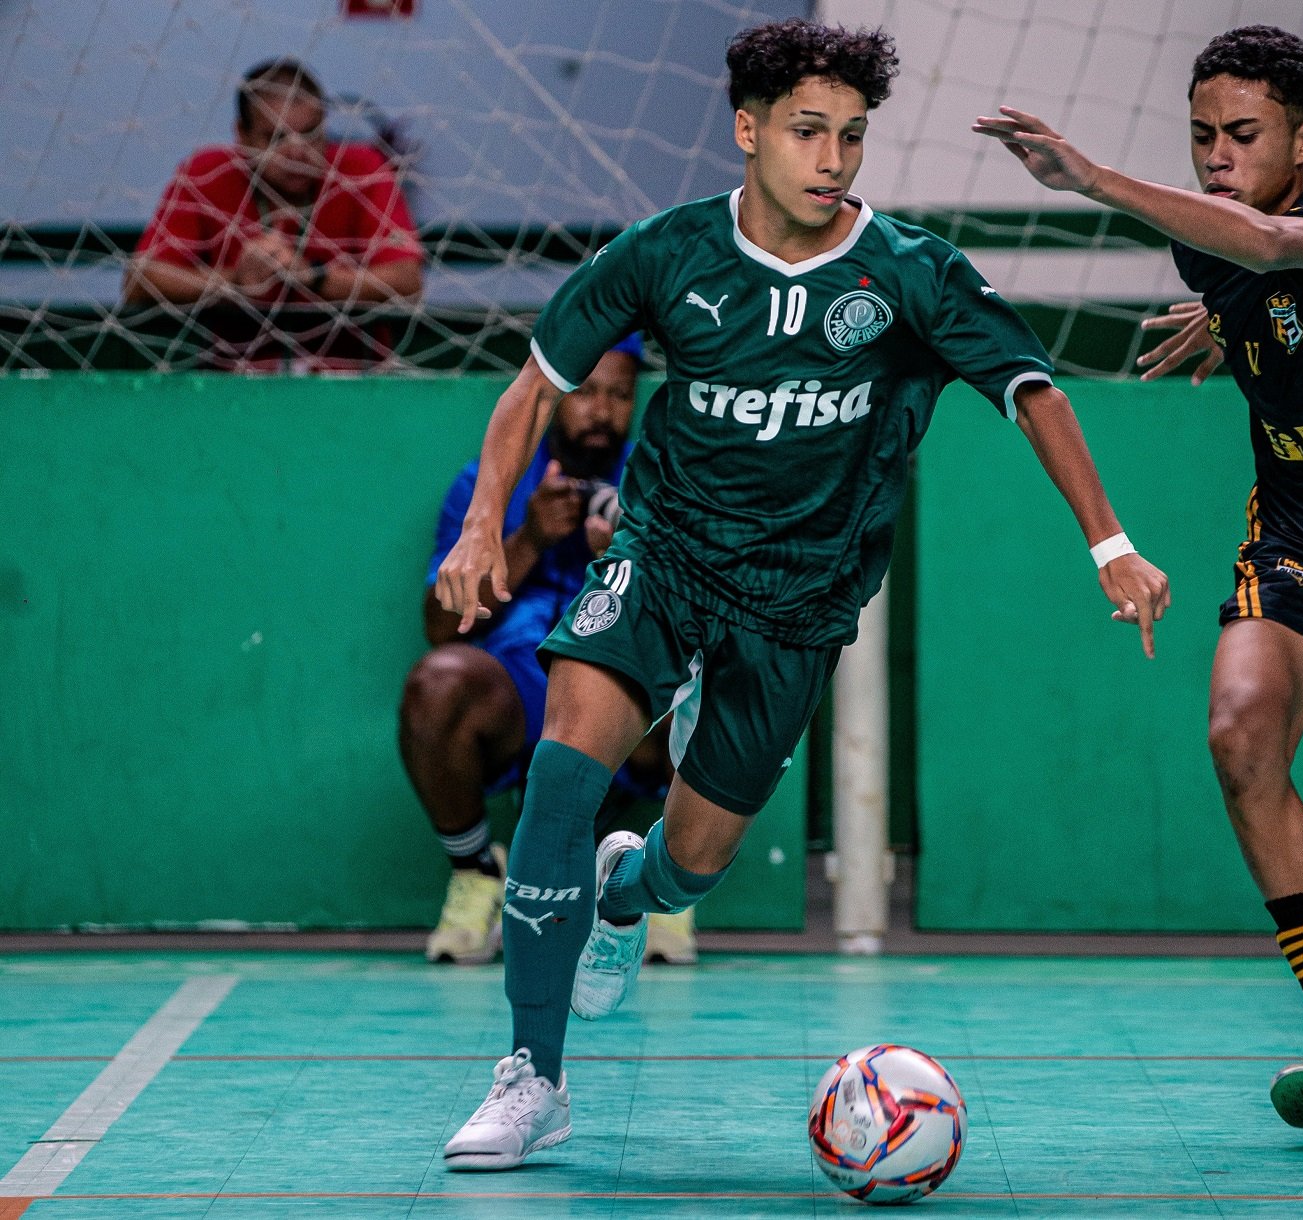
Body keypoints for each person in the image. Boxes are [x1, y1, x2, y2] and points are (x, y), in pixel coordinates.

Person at [437, 18, 1169, 1172]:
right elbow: (537, 385)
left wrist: (1110, 543)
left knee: (694, 861)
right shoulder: (667, 251)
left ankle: (626, 890)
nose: (833, 158)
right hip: (663, 555)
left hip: (800, 602)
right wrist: (485, 521)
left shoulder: (912, 272)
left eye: (853, 136)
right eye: (808, 131)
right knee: (561, 774)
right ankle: (534, 1075)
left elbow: (1034, 390)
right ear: (748, 129)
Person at [975, 24, 1303, 1130]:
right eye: (1202, 134)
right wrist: (1231, 319)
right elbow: (1254, 269)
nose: (1218, 155)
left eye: (1245, 135)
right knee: (1238, 731)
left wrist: (1092, 178)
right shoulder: (1212, 252)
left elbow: (1277, 246)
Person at [400, 337, 677, 965]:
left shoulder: (659, 481)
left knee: (703, 685)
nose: (602, 411)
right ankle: (477, 873)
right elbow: (440, 625)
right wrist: (528, 539)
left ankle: (663, 885)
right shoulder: (490, 484)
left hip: (623, 691)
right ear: (555, 395)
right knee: (438, 683)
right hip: (520, 689)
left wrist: (625, 560)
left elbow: (697, 622)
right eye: (587, 392)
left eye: (620, 394)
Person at [123, 57, 424, 370]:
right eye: (276, 137)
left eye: (310, 133)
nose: (296, 153)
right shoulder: (206, 172)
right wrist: (236, 281)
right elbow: (140, 281)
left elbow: (408, 282)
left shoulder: (362, 169)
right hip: (235, 380)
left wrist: (313, 276)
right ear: (242, 135)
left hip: (351, 377)